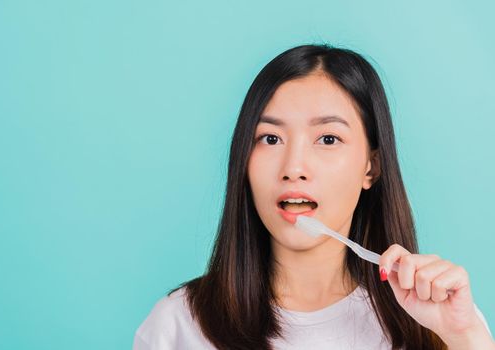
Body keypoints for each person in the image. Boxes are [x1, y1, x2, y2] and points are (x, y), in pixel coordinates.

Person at [133, 44, 494, 349]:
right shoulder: (178, 327)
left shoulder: (440, 322)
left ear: (371, 167)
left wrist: (463, 336)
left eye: (328, 139)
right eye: (270, 139)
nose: (294, 167)